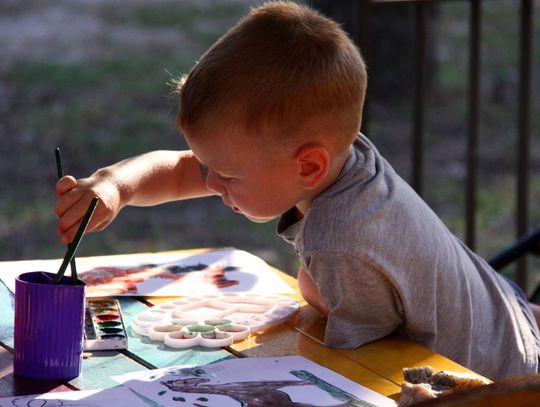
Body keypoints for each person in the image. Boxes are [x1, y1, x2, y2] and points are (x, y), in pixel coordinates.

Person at [54, 1, 540, 380]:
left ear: (308, 165)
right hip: (515, 319)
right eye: (209, 166)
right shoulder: (343, 157)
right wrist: (118, 184)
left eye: (227, 175)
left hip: (491, 383)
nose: (208, 183)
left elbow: (359, 369)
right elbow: (184, 170)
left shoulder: (342, 239)